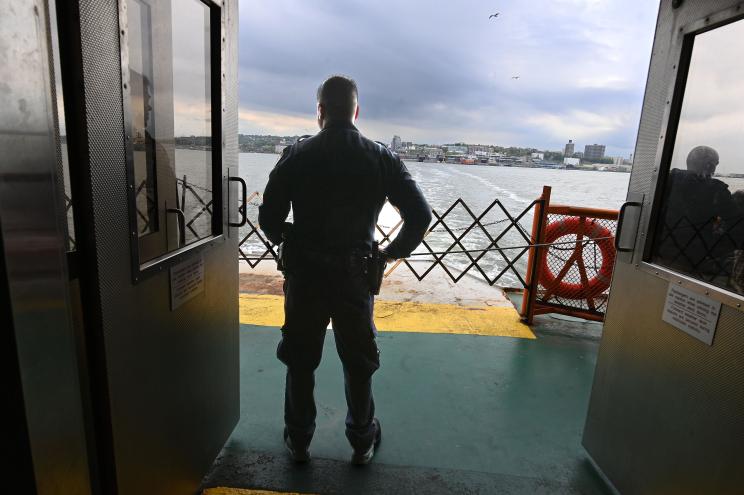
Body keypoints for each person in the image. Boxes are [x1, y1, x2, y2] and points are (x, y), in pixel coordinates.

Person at [258, 75, 432, 465]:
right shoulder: (382, 157)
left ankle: (299, 438)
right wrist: (387, 254)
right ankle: (361, 439)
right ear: (356, 110)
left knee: (301, 360)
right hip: (356, 276)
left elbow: (268, 218)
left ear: (320, 111)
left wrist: (289, 236)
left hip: (305, 277)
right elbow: (420, 215)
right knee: (359, 361)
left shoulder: (296, 154)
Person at [655, 145, 738, 280]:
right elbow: (737, 226)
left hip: (659, 255)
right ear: (709, 165)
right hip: (695, 262)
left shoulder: (666, 180)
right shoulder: (717, 190)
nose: (714, 169)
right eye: (715, 164)